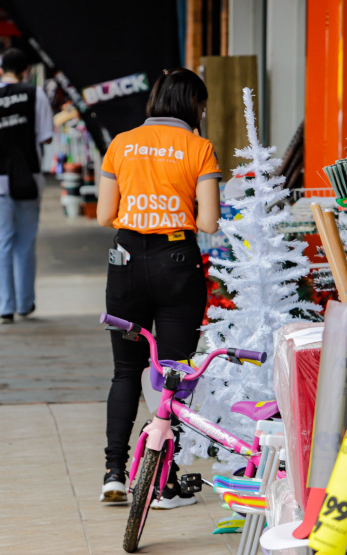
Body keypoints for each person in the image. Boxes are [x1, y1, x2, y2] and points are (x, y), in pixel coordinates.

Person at [95, 68, 221, 509]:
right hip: (177, 265)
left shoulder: (121, 143)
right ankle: (162, 484)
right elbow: (207, 223)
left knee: (126, 371)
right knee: (172, 374)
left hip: (126, 262)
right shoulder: (199, 148)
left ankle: (114, 473)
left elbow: (104, 214)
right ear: (193, 106)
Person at [0, 48, 54, 324]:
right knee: (25, 243)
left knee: (0, 243)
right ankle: (25, 303)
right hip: (29, 176)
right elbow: (47, 137)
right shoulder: (34, 93)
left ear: (0, 70)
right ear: (26, 70)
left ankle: (6, 307)